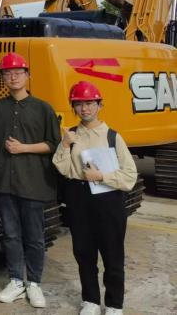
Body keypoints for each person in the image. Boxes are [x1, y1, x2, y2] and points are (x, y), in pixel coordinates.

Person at [53, 81, 137, 315]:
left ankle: (114, 304)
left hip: (108, 199)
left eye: (90, 103)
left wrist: (101, 176)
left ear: (100, 105)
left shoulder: (112, 137)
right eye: (79, 104)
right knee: (83, 252)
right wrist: (64, 145)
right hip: (79, 197)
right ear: (73, 107)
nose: (85, 109)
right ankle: (90, 300)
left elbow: (130, 175)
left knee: (112, 254)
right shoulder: (71, 135)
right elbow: (63, 168)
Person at [0, 53, 60, 309]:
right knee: (10, 235)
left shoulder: (43, 108)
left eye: (18, 72)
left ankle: (34, 283)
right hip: (5, 183)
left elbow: (53, 144)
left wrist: (24, 148)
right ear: (3, 78)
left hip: (33, 183)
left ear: (28, 75)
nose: (13, 77)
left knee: (34, 237)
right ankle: (16, 281)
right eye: (7, 73)